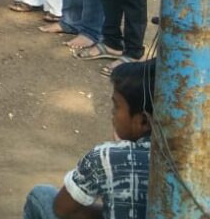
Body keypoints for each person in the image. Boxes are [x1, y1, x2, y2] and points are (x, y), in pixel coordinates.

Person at [22, 59, 155, 219]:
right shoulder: (183, 161)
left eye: (116, 106)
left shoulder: (106, 157)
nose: (113, 112)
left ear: (143, 122)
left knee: (41, 195)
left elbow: (62, 209)